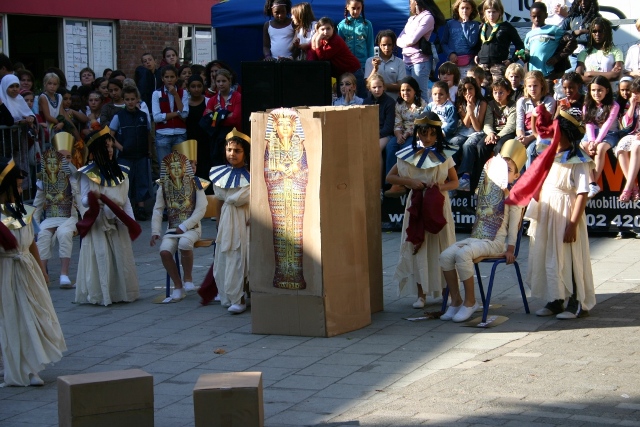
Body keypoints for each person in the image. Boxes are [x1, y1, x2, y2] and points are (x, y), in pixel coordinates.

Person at [508, 105, 595, 319]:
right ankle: (555, 299)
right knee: (549, 256)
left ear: (568, 135)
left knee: (570, 257)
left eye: (558, 133)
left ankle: (577, 302)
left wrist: (572, 224)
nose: (554, 136)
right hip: (548, 213)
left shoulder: (579, 161)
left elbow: (582, 193)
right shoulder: (551, 156)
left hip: (566, 214)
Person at [439, 140, 526, 322]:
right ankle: (456, 300)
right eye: (502, 168)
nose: (504, 173)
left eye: (509, 170)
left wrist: (510, 249)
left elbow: (515, 226)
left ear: (517, 175)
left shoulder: (514, 198)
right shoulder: (487, 189)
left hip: (495, 243)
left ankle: (471, 302)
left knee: (463, 255)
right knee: (446, 256)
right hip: (477, 238)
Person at [0, 157, 66, 387]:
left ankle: (31, 367)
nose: (19, 190)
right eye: (16, 186)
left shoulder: (23, 212)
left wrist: (42, 270)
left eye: (20, 186)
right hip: (5, 270)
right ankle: (14, 366)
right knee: (10, 318)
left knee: (31, 316)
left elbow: (32, 244)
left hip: (26, 269)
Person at [387, 111, 458, 308]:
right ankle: (421, 295)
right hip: (416, 204)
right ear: (417, 132)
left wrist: (437, 188)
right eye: (423, 133)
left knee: (443, 247)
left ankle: (448, 292)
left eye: (432, 134)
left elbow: (455, 182)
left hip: (438, 204)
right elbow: (390, 178)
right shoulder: (407, 155)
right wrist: (409, 181)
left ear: (437, 134)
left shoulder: (444, 155)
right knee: (419, 245)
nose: (427, 138)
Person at [75, 127, 140, 306]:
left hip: (117, 220)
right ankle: (100, 293)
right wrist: (94, 198)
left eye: (111, 146)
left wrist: (130, 221)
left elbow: (125, 200)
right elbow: (83, 200)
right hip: (99, 220)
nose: (110, 149)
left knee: (121, 256)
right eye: (106, 146)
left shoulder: (121, 172)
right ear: (97, 151)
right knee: (101, 256)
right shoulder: (88, 174)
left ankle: (121, 292)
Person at [151, 142, 208, 302]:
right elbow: (157, 209)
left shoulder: (196, 183)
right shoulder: (164, 186)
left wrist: (184, 226)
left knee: (184, 243)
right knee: (164, 251)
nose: (193, 166)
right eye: (190, 163)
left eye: (194, 164)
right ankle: (178, 285)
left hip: (192, 228)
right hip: (173, 228)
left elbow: (201, 209)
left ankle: (188, 278)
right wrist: (155, 231)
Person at [209, 129, 251, 313]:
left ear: (245, 152)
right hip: (228, 220)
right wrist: (219, 223)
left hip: (247, 220)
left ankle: (249, 293)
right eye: (229, 150)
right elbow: (219, 201)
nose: (232, 154)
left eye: (237, 150)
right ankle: (237, 297)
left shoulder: (253, 175)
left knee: (247, 257)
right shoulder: (220, 174)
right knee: (231, 255)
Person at [32, 133, 79, 289]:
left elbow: (80, 200)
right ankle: (40, 273)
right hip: (51, 217)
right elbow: (37, 205)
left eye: (69, 157)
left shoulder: (74, 178)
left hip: (69, 217)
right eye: (62, 157)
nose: (66, 160)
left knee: (64, 233)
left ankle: (64, 274)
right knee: (43, 235)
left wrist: (86, 221)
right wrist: (35, 227)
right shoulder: (43, 179)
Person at [109, 86, 152, 221]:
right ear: (123, 100)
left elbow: (148, 134)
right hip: (125, 156)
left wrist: (149, 150)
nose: (130, 102)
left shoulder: (143, 116)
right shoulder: (119, 117)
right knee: (125, 182)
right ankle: (125, 209)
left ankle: (141, 208)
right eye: (127, 99)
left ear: (137, 99)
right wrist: (121, 148)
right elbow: (110, 135)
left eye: (133, 99)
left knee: (141, 181)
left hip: (141, 155)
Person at [384, 76, 427, 196]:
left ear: (415, 91)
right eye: (403, 90)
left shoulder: (422, 105)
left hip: (416, 135)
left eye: (408, 90)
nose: (405, 93)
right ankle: (393, 182)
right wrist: (398, 135)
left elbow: (422, 124)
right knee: (391, 146)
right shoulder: (399, 105)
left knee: (406, 149)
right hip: (401, 134)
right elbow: (397, 123)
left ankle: (403, 183)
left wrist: (408, 133)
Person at [396, 0, 446, 97]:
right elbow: (398, 40)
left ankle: (424, 112)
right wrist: (407, 40)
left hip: (419, 62)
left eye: (410, 2)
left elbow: (412, 40)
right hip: (406, 60)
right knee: (408, 95)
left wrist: (406, 40)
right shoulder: (411, 19)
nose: (409, 5)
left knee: (420, 93)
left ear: (416, 2)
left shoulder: (428, 17)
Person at [580, 75, 618, 198]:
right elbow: (589, 124)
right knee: (582, 147)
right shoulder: (587, 105)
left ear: (607, 90)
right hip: (592, 134)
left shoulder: (614, 105)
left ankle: (593, 183)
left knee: (600, 149)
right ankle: (591, 183)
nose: (596, 93)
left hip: (609, 134)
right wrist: (591, 141)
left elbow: (607, 125)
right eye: (593, 90)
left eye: (600, 90)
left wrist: (596, 142)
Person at [311, 17, 365, 95]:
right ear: (318, 31)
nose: (326, 32)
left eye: (328, 28)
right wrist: (314, 41)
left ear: (333, 28)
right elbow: (315, 57)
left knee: (360, 98)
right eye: (322, 29)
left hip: (353, 71)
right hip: (341, 75)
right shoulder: (322, 41)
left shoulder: (335, 40)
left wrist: (316, 41)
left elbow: (322, 58)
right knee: (343, 100)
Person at [451, 77, 487, 191]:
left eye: (470, 89)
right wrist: (468, 107)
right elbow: (466, 124)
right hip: (463, 131)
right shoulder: (460, 103)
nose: (468, 92)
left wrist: (471, 111)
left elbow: (477, 127)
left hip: (477, 132)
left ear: (476, 89)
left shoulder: (482, 103)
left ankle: (465, 176)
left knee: (468, 145)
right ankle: (451, 175)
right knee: (453, 143)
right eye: (465, 90)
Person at [475, 0, 524, 80]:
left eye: (494, 12)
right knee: (484, 90)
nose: (491, 15)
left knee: (499, 89)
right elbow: (478, 45)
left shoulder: (506, 27)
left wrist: (512, 60)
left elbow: (520, 46)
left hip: (499, 65)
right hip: (482, 65)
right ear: (484, 12)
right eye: (489, 12)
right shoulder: (482, 27)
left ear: (500, 12)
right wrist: (476, 55)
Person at [516, 70, 557, 167]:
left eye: (535, 86)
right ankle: (517, 180)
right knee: (513, 149)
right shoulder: (522, 101)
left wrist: (528, 139)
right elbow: (519, 123)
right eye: (529, 86)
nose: (532, 89)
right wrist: (521, 137)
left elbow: (544, 125)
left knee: (530, 151)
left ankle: (530, 179)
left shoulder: (549, 101)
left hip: (540, 135)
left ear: (541, 85)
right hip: (525, 134)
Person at [204, 69, 242, 167]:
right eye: (218, 81)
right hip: (217, 139)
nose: (221, 84)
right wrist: (225, 114)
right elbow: (206, 120)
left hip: (235, 136)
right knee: (219, 165)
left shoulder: (237, 97)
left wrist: (216, 116)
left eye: (224, 81)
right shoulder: (212, 100)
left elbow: (235, 118)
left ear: (229, 81)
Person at [153, 65, 189, 167]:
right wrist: (177, 113)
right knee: (165, 170)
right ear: (162, 78)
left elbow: (185, 114)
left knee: (181, 169)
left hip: (180, 133)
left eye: (172, 77)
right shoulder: (157, 93)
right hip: (163, 134)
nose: (169, 80)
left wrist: (175, 94)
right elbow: (156, 118)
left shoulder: (183, 93)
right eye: (167, 77)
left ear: (176, 78)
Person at [363, 73, 395, 184]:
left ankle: (378, 185)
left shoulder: (390, 102)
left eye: (380, 87)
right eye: (374, 87)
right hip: (369, 134)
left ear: (384, 87)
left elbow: (388, 127)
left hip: (385, 135)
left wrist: (374, 135)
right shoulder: (366, 102)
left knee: (375, 148)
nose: (377, 90)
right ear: (369, 88)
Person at [523, 2, 566, 82]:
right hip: (533, 75)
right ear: (530, 17)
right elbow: (527, 53)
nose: (537, 19)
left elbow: (571, 42)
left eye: (539, 16)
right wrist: (524, 57)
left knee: (548, 93)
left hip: (549, 74)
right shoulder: (529, 35)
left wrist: (557, 57)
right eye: (534, 16)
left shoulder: (554, 30)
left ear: (546, 15)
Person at [576, 18, 623, 88]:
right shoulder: (584, 53)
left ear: (606, 32)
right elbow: (578, 77)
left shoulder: (616, 51)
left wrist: (589, 73)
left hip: (610, 93)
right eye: (594, 31)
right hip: (589, 93)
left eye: (600, 31)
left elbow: (616, 75)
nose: (597, 34)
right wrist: (607, 76)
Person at [441, 0, 481, 76]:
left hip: (468, 63)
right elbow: (444, 42)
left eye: (467, 8)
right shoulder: (450, 24)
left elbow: (472, 43)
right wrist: (450, 53)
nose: (464, 11)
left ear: (471, 10)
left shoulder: (474, 25)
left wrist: (465, 24)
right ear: (457, 9)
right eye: (462, 8)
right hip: (453, 62)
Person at [186, 75, 212, 187]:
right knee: (191, 169)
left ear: (203, 87)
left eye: (199, 86)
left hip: (205, 141)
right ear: (188, 88)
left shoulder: (208, 101)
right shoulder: (185, 103)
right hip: (190, 141)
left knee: (205, 167)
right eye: (193, 86)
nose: (196, 89)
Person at [364, 30, 406, 100]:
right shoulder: (369, 61)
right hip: (374, 102)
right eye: (384, 45)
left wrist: (380, 86)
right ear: (379, 45)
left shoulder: (399, 62)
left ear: (393, 45)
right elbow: (367, 84)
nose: (387, 48)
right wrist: (375, 68)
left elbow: (401, 86)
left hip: (393, 102)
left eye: (389, 45)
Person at [616, 78, 640, 202]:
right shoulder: (630, 104)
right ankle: (634, 187)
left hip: (639, 138)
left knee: (636, 146)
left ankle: (627, 187)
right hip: (633, 134)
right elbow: (625, 124)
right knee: (621, 147)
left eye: (637, 93)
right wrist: (632, 105)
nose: (634, 95)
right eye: (634, 92)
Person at [561, 0, 601, 70]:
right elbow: (561, 32)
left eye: (586, 0)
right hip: (572, 54)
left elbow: (601, 34)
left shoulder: (596, 17)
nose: (583, 2)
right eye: (580, 1)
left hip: (590, 53)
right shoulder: (572, 16)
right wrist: (576, 32)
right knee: (570, 75)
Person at [337, 0, 374, 72]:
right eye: (353, 8)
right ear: (347, 7)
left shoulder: (367, 24)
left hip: (363, 65)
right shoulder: (342, 25)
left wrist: (370, 64)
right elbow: (339, 48)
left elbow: (370, 46)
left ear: (362, 8)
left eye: (358, 8)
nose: (356, 11)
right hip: (347, 64)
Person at [38, 73, 63, 137]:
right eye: (49, 83)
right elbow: (48, 117)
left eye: (55, 84)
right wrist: (59, 122)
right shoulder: (43, 97)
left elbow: (61, 113)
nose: (52, 86)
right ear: (45, 84)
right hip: (47, 127)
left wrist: (62, 122)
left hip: (58, 126)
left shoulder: (59, 96)